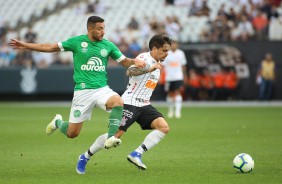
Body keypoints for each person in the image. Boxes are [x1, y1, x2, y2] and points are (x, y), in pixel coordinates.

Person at [10, 16, 145, 152]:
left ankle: (111, 138)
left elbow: (124, 61)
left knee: (118, 102)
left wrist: (134, 61)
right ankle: (58, 122)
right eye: (99, 29)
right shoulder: (76, 42)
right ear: (90, 29)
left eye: (103, 28)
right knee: (72, 133)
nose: (103, 32)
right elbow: (51, 47)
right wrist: (26, 45)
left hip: (102, 89)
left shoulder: (108, 45)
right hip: (82, 92)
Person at [76, 35, 172, 174]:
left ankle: (136, 154)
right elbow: (130, 71)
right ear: (155, 49)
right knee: (113, 136)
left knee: (163, 127)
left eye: (168, 50)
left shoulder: (158, 63)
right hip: (129, 103)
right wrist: (148, 69)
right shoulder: (144, 59)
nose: (167, 53)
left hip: (144, 104)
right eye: (164, 50)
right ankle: (85, 157)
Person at [161, 40, 187, 118]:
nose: (174, 45)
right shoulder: (166, 53)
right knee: (170, 93)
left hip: (178, 77)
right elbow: (163, 66)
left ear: (177, 45)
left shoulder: (181, 53)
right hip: (169, 77)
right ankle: (170, 111)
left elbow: (183, 65)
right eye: (172, 44)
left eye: (175, 44)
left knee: (177, 92)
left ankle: (177, 112)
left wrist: (185, 75)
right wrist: (160, 76)